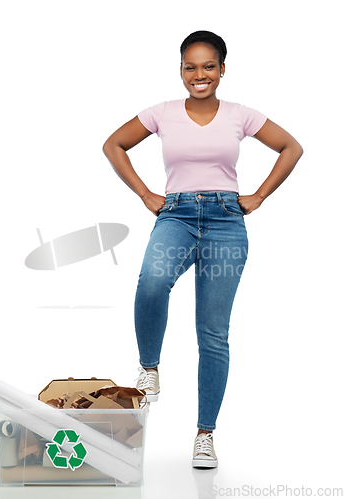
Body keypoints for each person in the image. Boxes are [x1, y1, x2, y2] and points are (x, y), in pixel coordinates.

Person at [103, 30, 303, 468]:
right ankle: (149, 367)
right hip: (174, 216)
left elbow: (292, 147)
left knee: (212, 334)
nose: (199, 75)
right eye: (190, 67)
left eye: (208, 66)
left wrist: (260, 195)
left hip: (226, 223)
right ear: (180, 71)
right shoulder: (161, 113)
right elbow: (113, 145)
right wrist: (144, 194)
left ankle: (204, 435)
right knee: (152, 283)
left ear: (222, 70)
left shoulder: (240, 115)